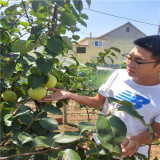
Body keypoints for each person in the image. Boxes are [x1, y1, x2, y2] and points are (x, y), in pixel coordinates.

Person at [39, 35, 160, 159]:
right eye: (129, 57)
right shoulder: (119, 75)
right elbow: (97, 101)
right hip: (99, 147)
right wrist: (68, 94)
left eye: (139, 61)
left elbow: (156, 132)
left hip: (129, 153)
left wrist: (136, 140)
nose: (130, 64)